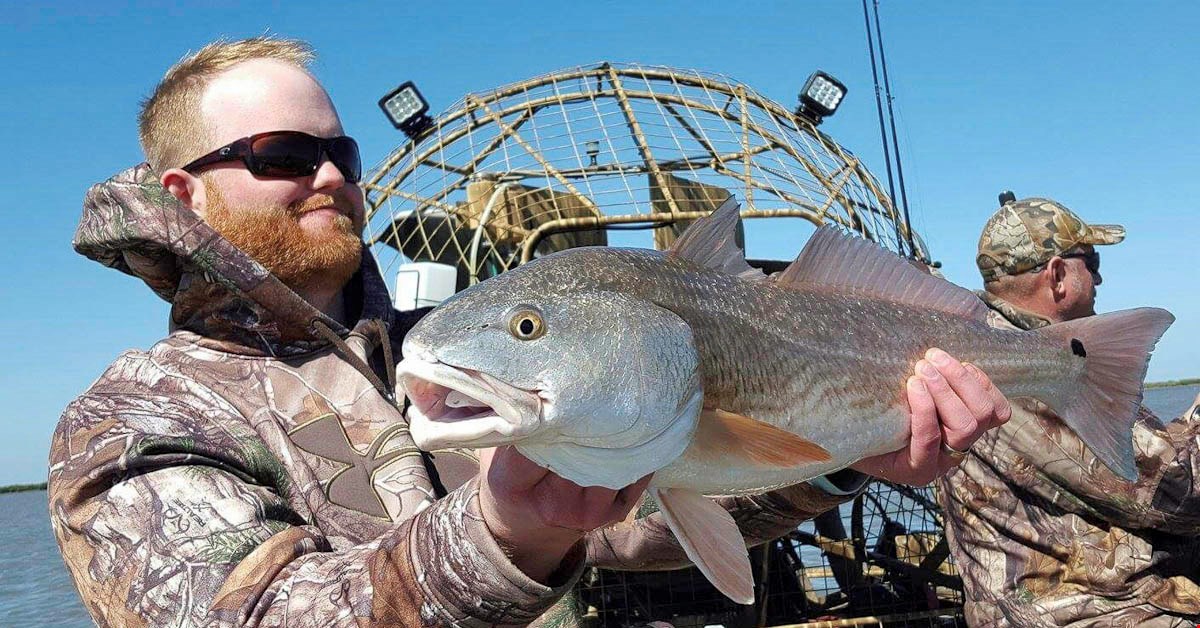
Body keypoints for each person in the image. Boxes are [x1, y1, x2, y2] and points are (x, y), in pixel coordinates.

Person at [48, 36, 1009, 627]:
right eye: (281, 156)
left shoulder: (442, 357)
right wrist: (509, 524)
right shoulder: (133, 419)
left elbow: (617, 527)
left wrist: (837, 463)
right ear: (184, 194)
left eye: (339, 150)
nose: (332, 175)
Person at [937, 196, 1200, 627]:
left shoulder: (975, 345)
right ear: (1057, 275)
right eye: (1091, 262)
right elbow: (1180, 493)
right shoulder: (1030, 367)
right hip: (1101, 613)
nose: (1099, 277)